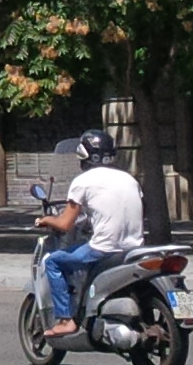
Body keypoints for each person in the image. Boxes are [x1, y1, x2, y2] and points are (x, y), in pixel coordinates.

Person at [34, 130, 144, 340]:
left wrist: (46, 220)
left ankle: (66, 320)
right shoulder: (129, 179)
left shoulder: (83, 181)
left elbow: (65, 224)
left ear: (84, 156)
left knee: (53, 262)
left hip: (103, 250)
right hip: (134, 249)